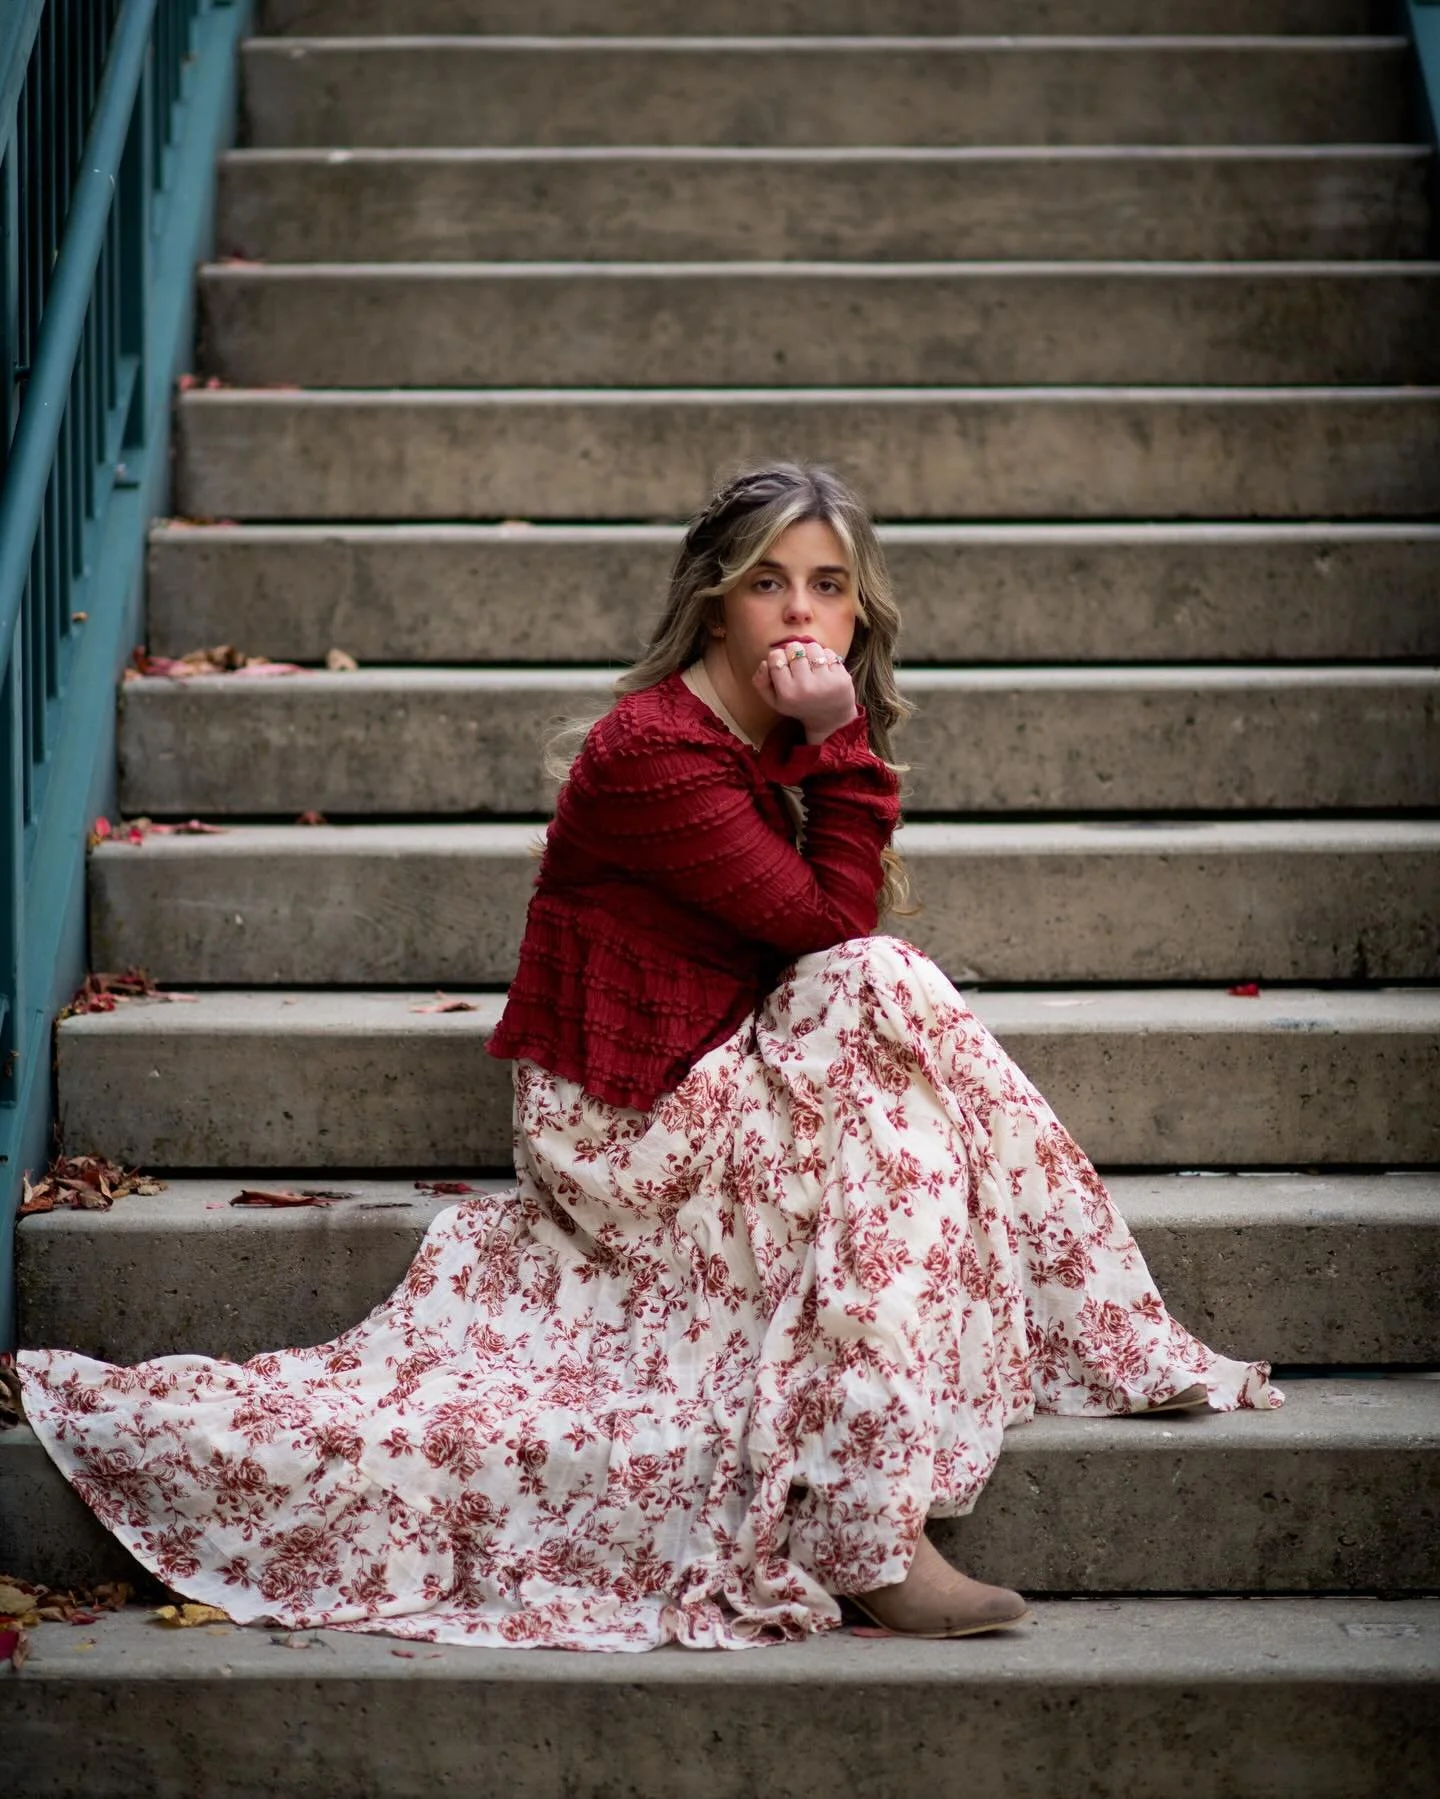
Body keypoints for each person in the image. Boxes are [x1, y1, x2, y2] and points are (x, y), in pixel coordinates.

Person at [17, 462, 1280, 1653]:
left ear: (858, 609)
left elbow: (817, 947)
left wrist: (825, 746)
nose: (802, 610)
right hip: (625, 1128)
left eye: (830, 585)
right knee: (881, 990)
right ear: (717, 603)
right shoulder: (656, 752)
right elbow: (829, 927)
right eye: (770, 580)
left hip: (719, 1072)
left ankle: (949, 1446)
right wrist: (844, 744)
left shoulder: (762, 735)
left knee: (887, 1041)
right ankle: (895, 1504)